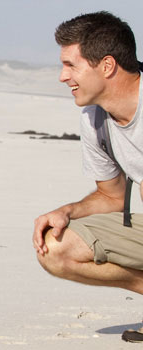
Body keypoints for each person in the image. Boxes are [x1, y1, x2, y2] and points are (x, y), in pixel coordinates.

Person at [33, 11, 143, 342]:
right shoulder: (95, 119)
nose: (63, 77)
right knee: (54, 246)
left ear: (107, 66)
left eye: (71, 65)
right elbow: (112, 195)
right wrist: (66, 212)